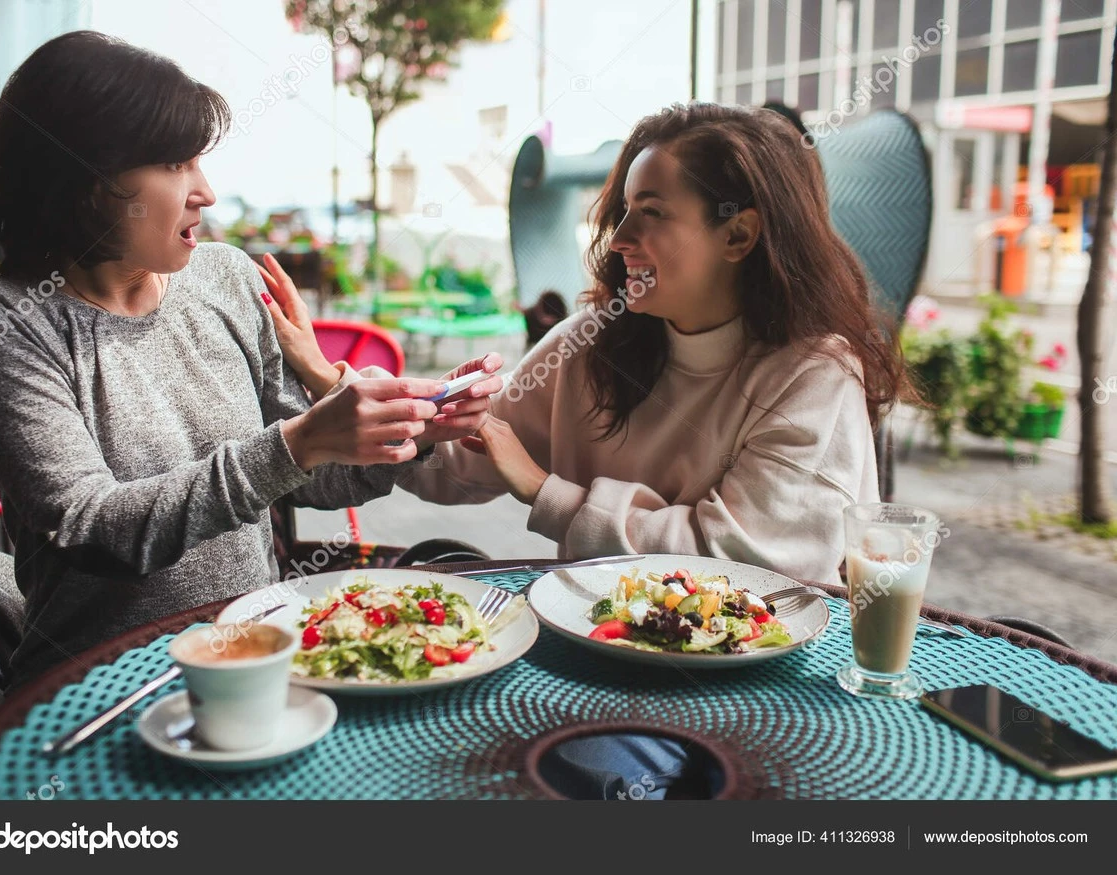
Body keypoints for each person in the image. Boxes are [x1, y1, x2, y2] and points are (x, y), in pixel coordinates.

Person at [0, 31, 500, 686]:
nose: (205, 191)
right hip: (97, 679)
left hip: (253, 654)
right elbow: (91, 526)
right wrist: (298, 442)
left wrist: (405, 427)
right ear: (85, 181)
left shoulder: (226, 277)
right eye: (175, 165)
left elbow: (310, 473)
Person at [274, 103, 907, 586]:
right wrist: (347, 387)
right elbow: (459, 467)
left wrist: (541, 488)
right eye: (624, 209)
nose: (621, 236)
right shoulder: (588, 343)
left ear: (739, 236)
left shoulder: (813, 375)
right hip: (603, 653)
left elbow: (739, 562)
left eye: (652, 212)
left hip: (765, 687)